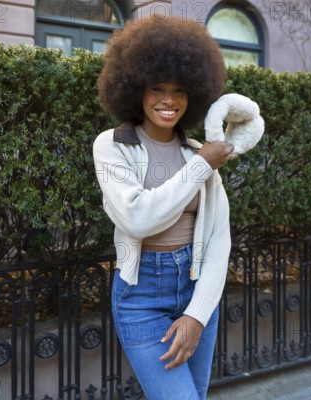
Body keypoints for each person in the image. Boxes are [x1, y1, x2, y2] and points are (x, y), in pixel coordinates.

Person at [93, 15, 235, 400]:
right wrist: (202, 166)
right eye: (157, 88)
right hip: (141, 296)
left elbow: (220, 239)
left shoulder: (194, 151)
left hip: (196, 286)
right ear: (136, 89)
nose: (168, 101)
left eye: (179, 91)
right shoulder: (112, 145)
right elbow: (138, 219)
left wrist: (197, 313)